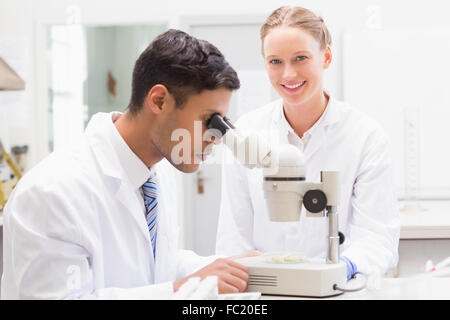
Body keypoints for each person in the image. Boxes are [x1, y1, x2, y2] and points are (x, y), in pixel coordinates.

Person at [1, 29, 252, 299]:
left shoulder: (157, 173)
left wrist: (226, 269)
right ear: (159, 100)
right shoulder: (52, 192)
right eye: (210, 121)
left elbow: (156, 264)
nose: (217, 138)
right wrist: (181, 289)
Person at [216, 6, 400, 279]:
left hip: (339, 289)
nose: (288, 74)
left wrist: (340, 269)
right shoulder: (247, 132)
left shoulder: (365, 137)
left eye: (300, 58)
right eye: (275, 61)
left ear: (326, 57)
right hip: (264, 290)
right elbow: (234, 236)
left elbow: (376, 237)